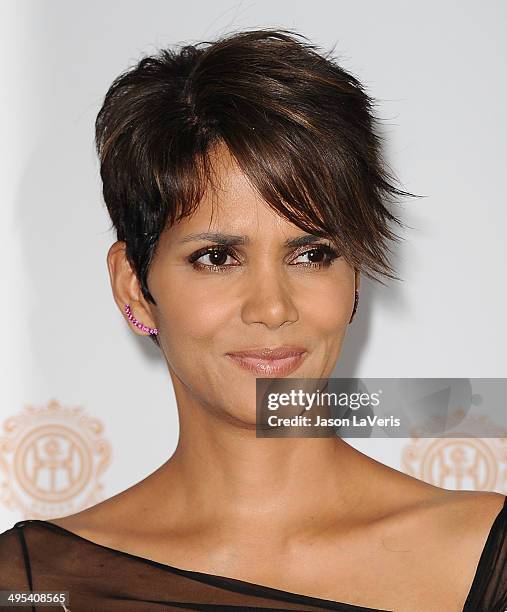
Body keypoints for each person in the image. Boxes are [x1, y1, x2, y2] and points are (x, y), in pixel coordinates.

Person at [1, 28, 505, 612]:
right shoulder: (31, 584)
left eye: (312, 255)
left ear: (354, 278)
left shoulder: (483, 556)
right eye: (217, 258)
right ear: (135, 288)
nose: (272, 308)